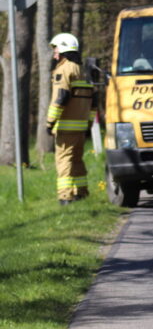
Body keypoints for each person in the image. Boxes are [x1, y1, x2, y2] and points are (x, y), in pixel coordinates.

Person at [47, 33, 97, 205]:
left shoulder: (63, 70)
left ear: (63, 49)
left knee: (64, 161)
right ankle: (82, 193)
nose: (54, 54)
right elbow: (94, 102)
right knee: (77, 161)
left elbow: (59, 99)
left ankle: (65, 197)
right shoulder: (83, 71)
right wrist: (89, 124)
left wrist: (49, 122)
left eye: (56, 50)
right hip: (81, 128)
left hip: (65, 127)